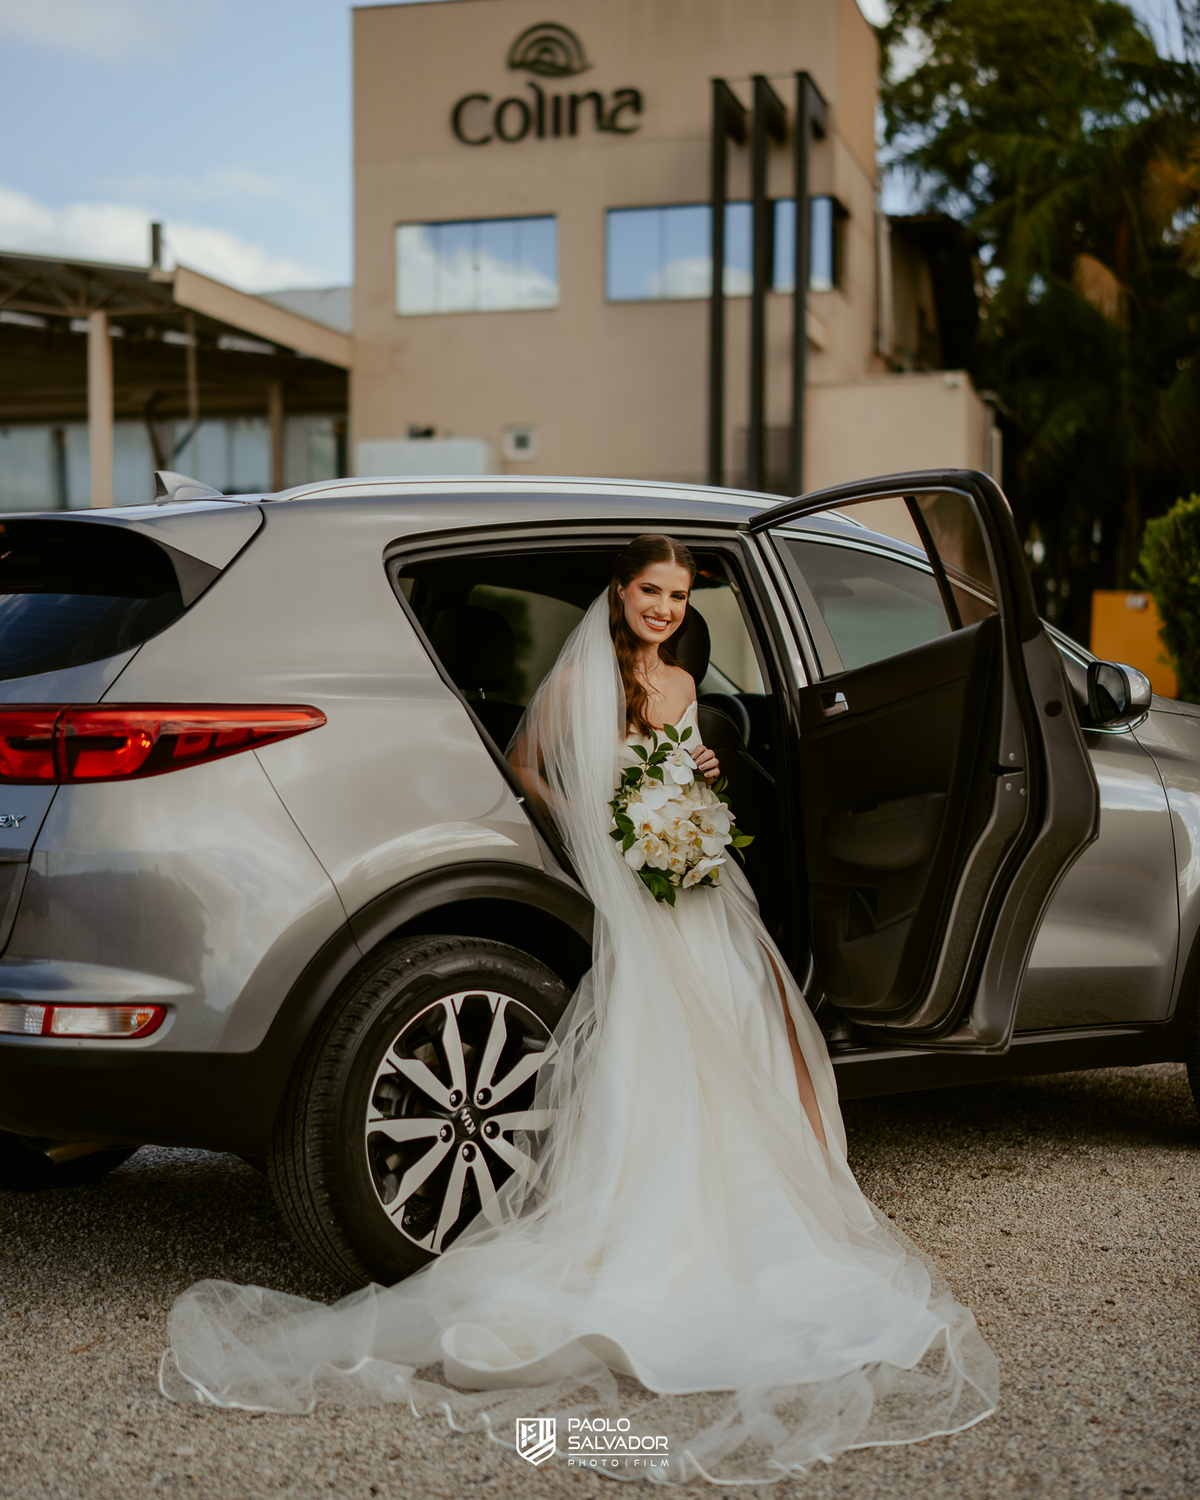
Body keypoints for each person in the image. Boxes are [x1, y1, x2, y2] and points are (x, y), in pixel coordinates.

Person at [161, 535, 997, 1485]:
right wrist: (602, 833)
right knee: (658, 1039)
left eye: (679, 595)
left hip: (697, 880)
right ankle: (661, 1223)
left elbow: (682, 766)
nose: (666, 609)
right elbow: (525, 763)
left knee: (744, 1011)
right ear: (620, 591)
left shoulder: (683, 686)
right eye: (652, 590)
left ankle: (759, 1198)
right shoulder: (584, 678)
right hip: (639, 891)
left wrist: (698, 790)